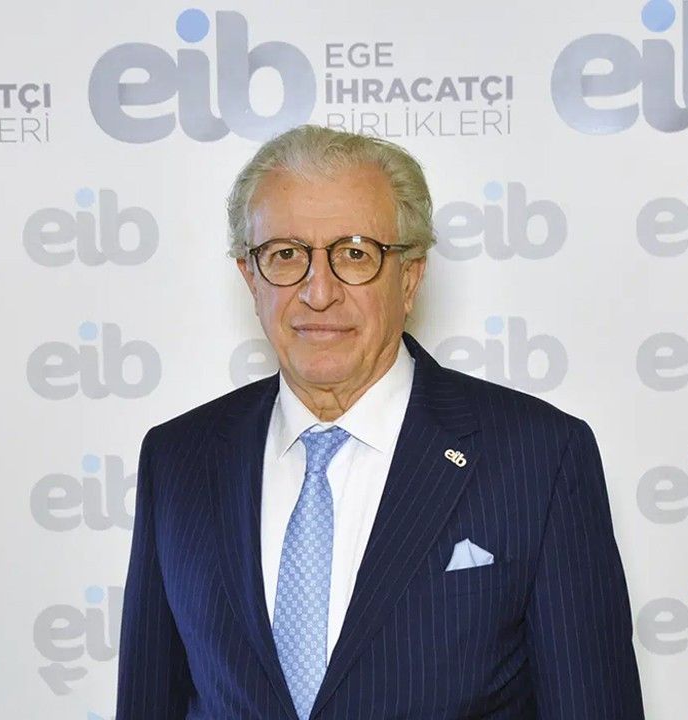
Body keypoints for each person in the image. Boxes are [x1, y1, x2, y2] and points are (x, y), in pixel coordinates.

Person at [116, 124, 644, 719]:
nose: (319, 291)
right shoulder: (178, 459)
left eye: (355, 254)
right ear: (250, 277)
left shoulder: (539, 459)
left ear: (410, 277)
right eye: (286, 255)